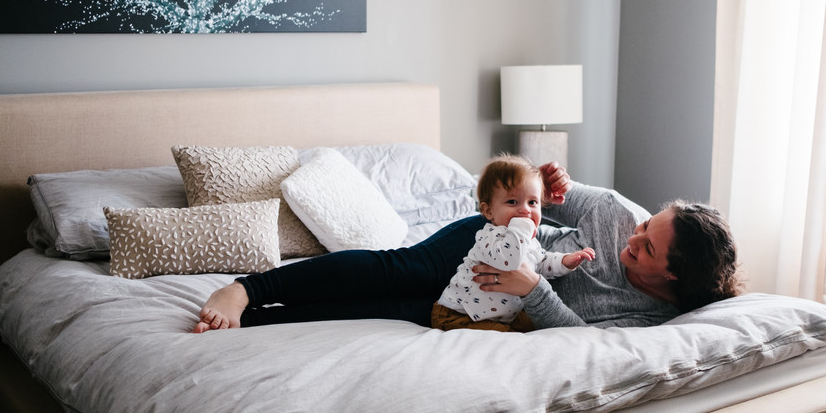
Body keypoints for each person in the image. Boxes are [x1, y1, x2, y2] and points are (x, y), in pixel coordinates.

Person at [192, 162, 743, 333]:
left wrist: (537, 293)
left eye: (646, 248)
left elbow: (583, 341)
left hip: (494, 309)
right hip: (488, 245)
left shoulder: (649, 320)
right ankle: (247, 289)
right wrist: (553, 183)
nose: (634, 235)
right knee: (395, 272)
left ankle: (260, 322)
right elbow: (548, 195)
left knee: (389, 313)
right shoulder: (620, 213)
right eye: (647, 225)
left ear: (672, 278)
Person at [431, 155, 595, 332]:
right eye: (512, 202)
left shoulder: (529, 240)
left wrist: (565, 261)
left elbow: (541, 262)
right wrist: (522, 227)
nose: (525, 210)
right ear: (488, 211)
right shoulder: (491, 236)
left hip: (500, 314)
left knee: (535, 326)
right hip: (460, 314)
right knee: (508, 339)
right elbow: (510, 261)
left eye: (532, 202)